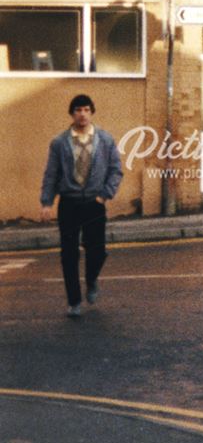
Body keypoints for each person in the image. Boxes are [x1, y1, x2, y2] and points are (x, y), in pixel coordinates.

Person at [40, 94, 123, 318]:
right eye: (78, 110)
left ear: (92, 112)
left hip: (95, 204)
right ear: (72, 113)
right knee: (69, 254)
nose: (82, 114)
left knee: (97, 251)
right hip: (69, 203)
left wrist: (104, 195)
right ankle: (74, 301)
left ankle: (92, 280)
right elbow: (51, 174)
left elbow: (116, 170)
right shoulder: (59, 142)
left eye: (86, 109)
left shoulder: (105, 139)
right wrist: (47, 202)